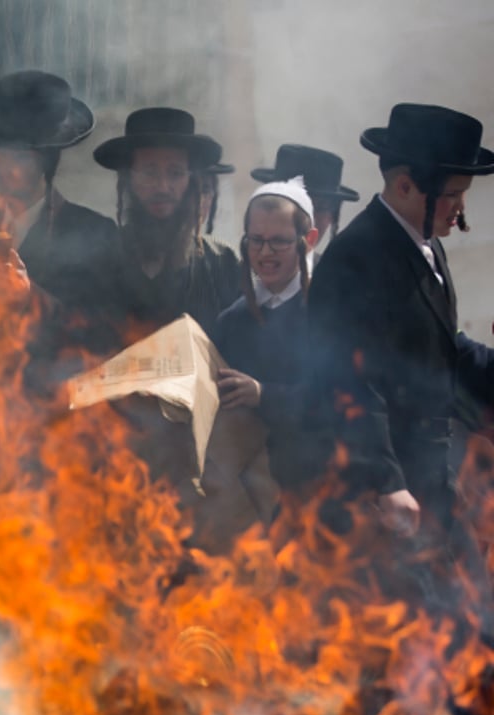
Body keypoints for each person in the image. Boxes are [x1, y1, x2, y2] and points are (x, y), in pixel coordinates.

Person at [307, 104, 494, 599]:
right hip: (386, 492)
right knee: (425, 643)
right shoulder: (356, 258)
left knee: (479, 623)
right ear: (406, 185)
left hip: (436, 477)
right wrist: (385, 482)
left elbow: (439, 349)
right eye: (451, 194)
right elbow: (345, 381)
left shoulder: (425, 243)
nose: (459, 207)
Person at [0, 69, 121, 354]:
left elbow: (103, 335)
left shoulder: (95, 232)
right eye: (2, 153)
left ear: (48, 159)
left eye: (22, 157)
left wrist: (29, 297)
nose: (9, 168)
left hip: (57, 395)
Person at [93, 107, 240, 337]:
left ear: (191, 181)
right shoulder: (99, 258)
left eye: (175, 173)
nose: (162, 187)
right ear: (129, 178)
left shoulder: (223, 263)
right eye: (149, 172)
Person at [212, 178, 320, 491]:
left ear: (309, 239)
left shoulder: (332, 308)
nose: (265, 253)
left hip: (322, 483)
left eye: (280, 241)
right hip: (252, 486)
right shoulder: (232, 321)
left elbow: (342, 399)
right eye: (256, 240)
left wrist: (264, 395)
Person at [251, 144, 359, 250]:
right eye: (296, 204)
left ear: (331, 218)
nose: (308, 218)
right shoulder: (241, 267)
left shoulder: (331, 267)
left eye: (320, 207)